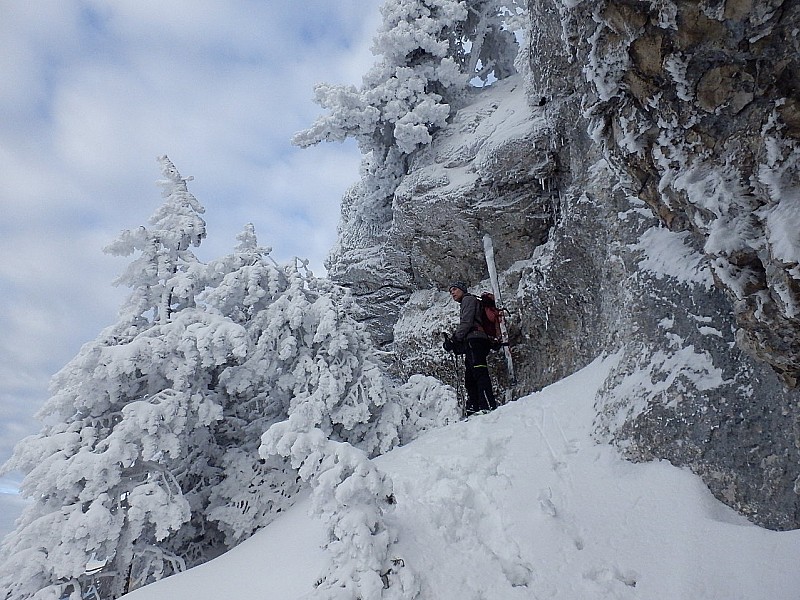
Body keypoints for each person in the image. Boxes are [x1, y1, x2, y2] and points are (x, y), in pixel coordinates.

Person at [448, 281, 497, 416]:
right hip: (474, 341)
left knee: (479, 373)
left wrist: (454, 339)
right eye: (450, 291)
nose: (452, 292)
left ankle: (487, 405)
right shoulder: (469, 301)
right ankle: (476, 407)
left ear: (463, 289)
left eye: (454, 289)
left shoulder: (468, 299)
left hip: (476, 341)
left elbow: (467, 322)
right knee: (470, 377)